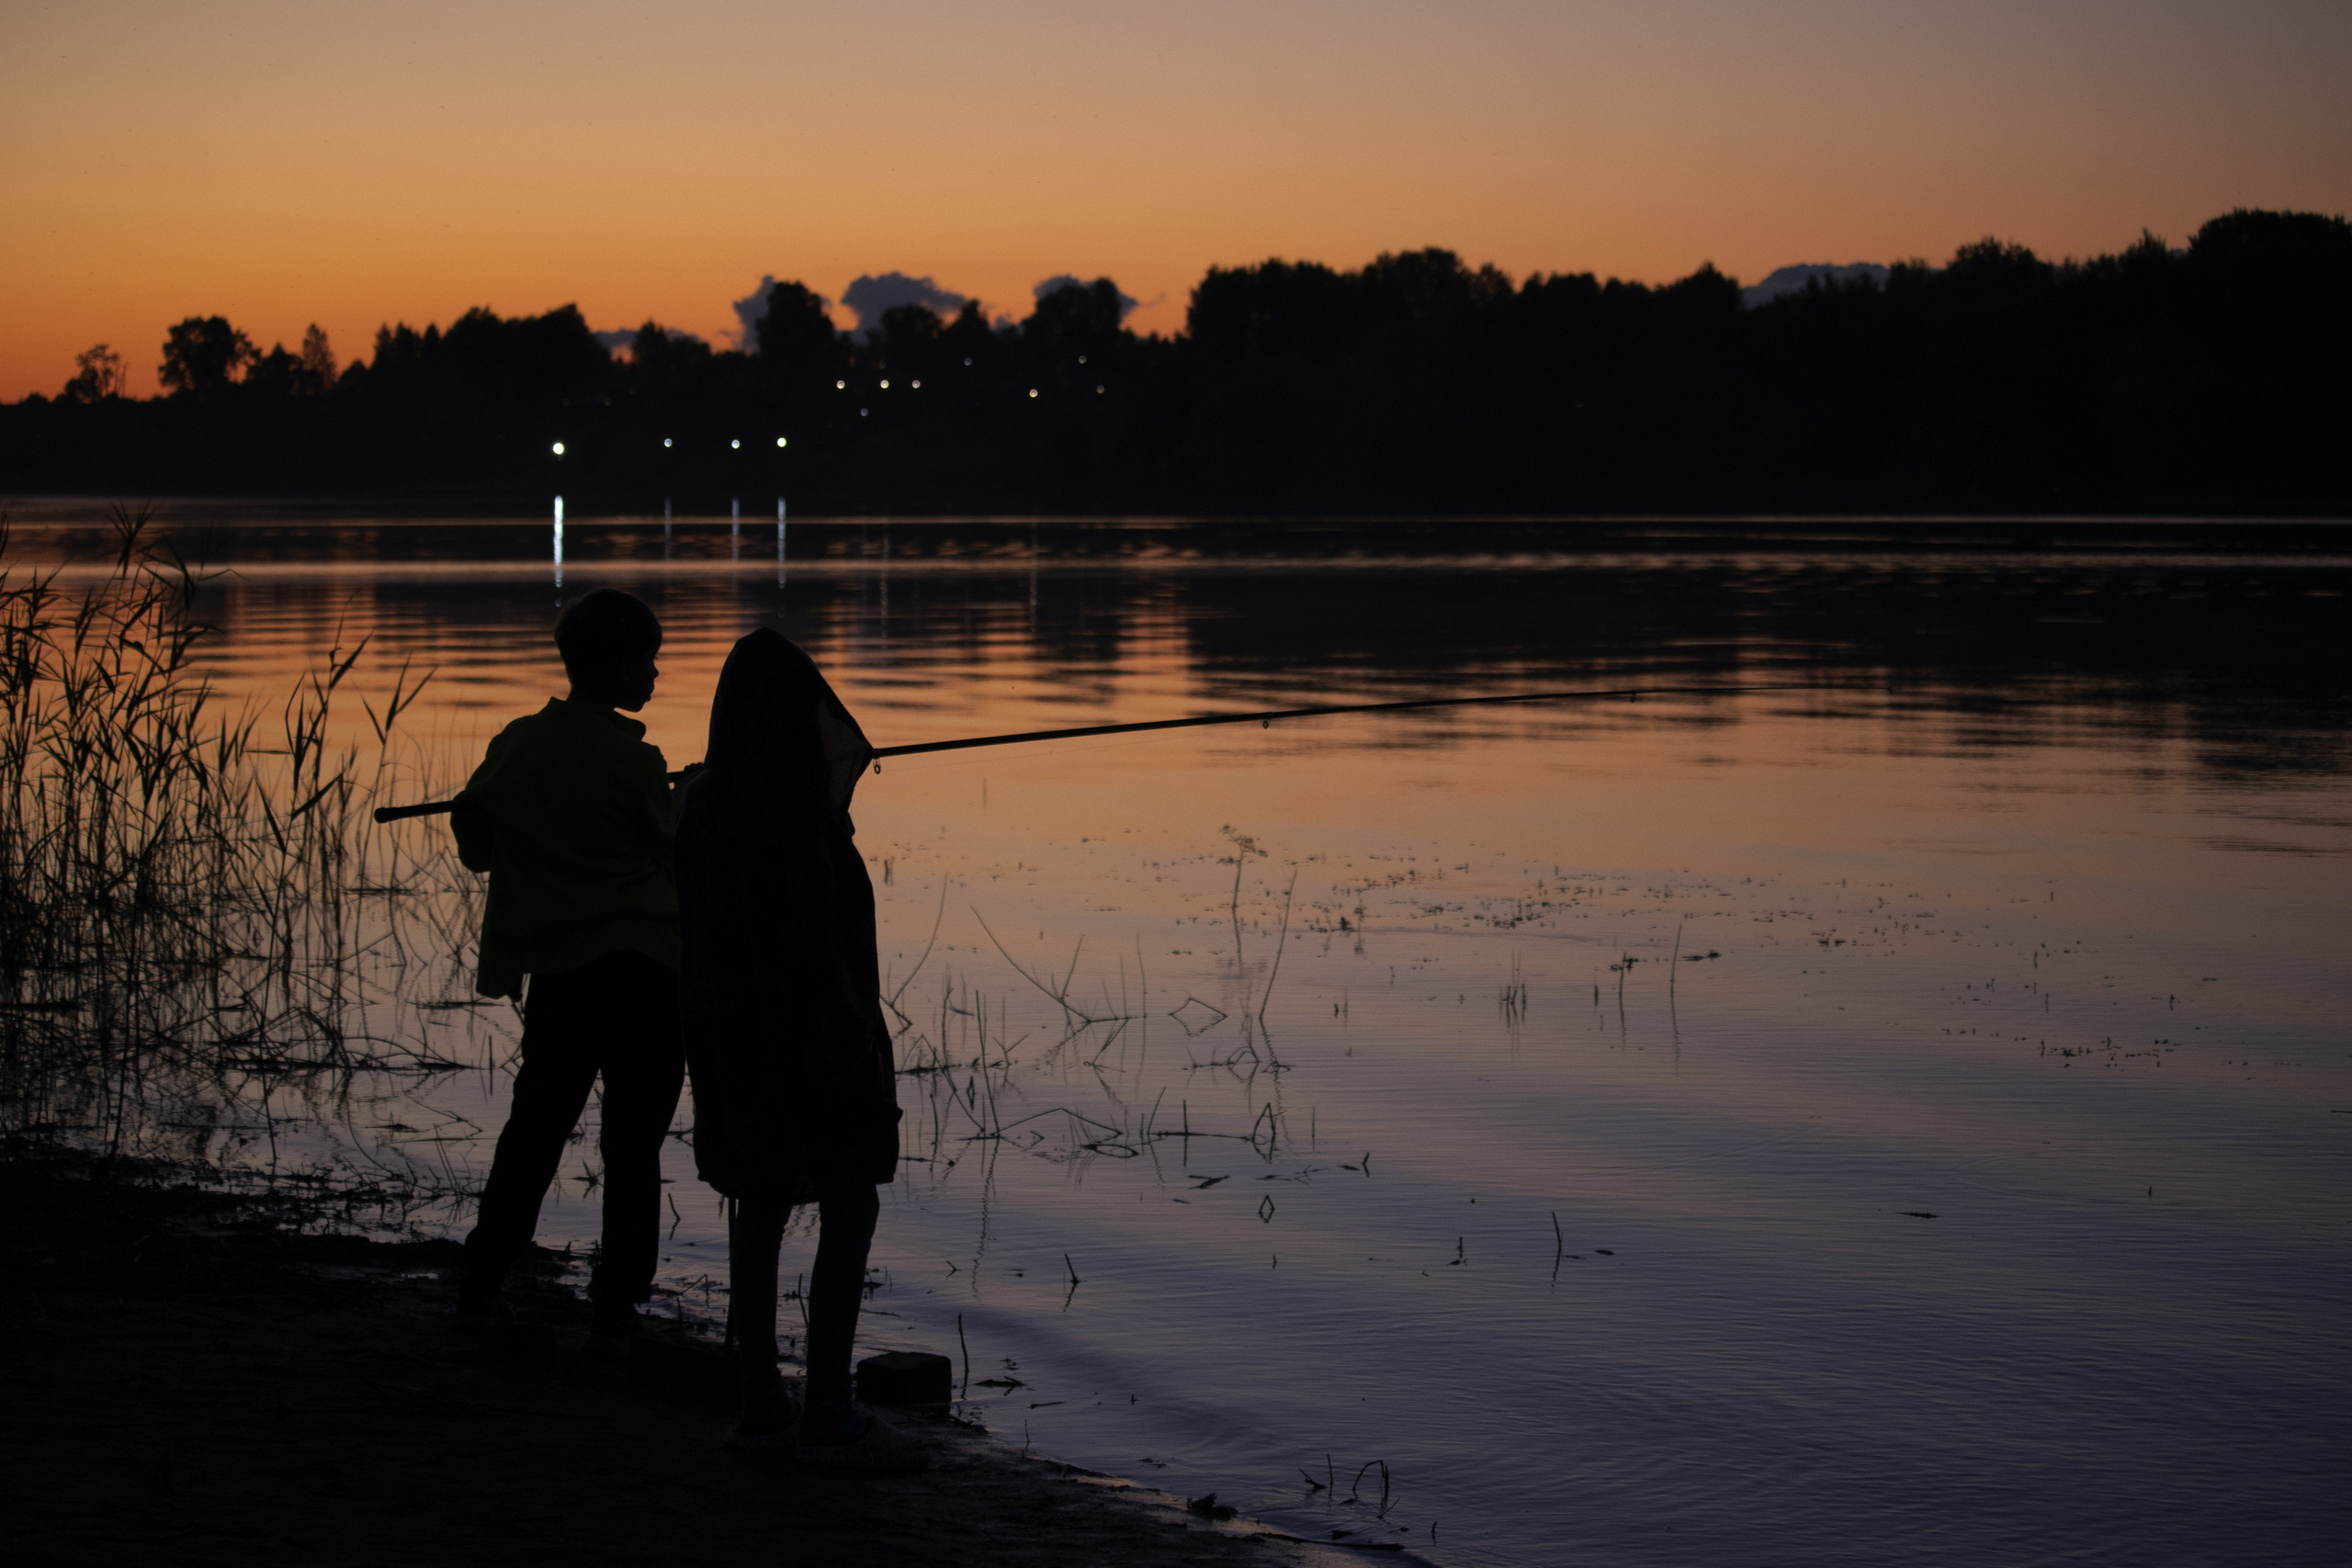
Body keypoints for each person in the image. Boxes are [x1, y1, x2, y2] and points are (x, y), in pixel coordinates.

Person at [674, 627, 919, 1470]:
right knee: (852, 1201)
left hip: (730, 1045)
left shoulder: (698, 804)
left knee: (760, 1201)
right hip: (812, 1044)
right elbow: (825, 945)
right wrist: (856, 1041)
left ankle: (759, 1402)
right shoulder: (802, 818)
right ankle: (828, 1407)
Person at [451, 588, 684, 1354]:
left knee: (535, 1128)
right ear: (617, 666)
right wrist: (689, 793)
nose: (653, 674)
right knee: (634, 1145)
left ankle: (482, 1279)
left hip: (559, 979)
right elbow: (672, 851)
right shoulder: (636, 760)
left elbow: (478, 839)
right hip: (645, 977)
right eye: (647, 660)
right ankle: (616, 1306)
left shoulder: (519, 743)